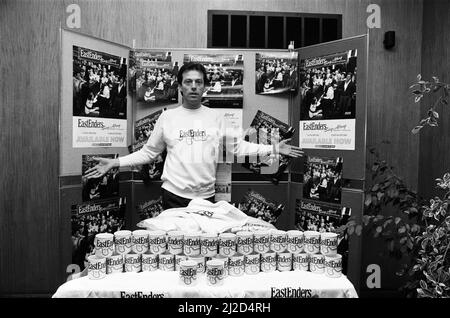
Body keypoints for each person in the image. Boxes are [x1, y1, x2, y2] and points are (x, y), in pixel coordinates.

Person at [85, 63, 304, 209]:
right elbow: (149, 153)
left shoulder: (216, 118)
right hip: (173, 196)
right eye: (188, 82)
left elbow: (239, 149)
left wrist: (273, 148)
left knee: (200, 254)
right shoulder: (167, 117)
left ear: (205, 87)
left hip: (206, 198)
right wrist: (116, 162)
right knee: (175, 254)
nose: (193, 86)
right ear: (180, 86)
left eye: (198, 82)